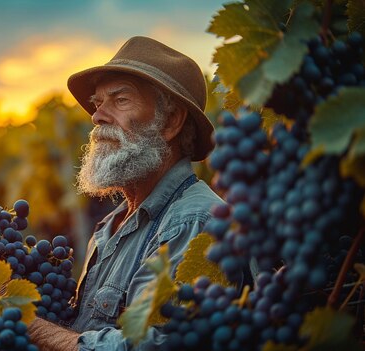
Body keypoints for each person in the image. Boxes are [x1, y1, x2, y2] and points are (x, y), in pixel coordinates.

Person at [27, 36, 226, 350]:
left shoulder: (194, 223)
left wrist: (32, 327)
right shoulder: (108, 230)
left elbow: (158, 346)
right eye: (98, 103)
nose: (97, 117)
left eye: (120, 100)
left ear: (171, 121)